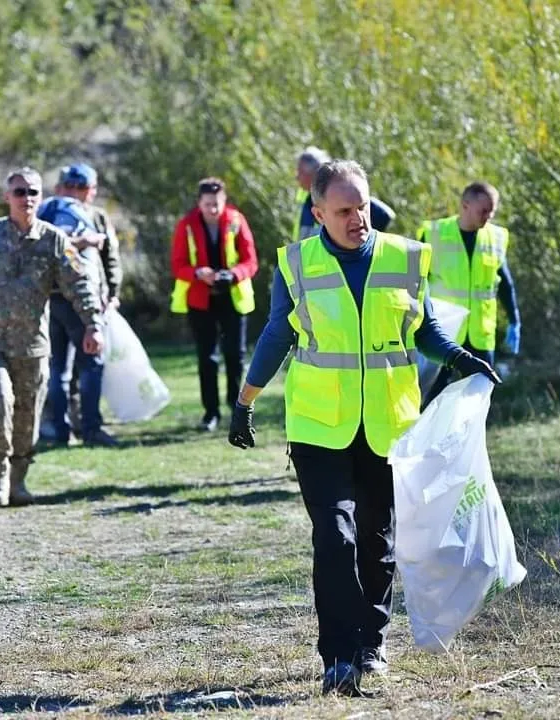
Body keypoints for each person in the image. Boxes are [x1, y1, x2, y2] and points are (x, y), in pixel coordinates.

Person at [228, 160, 499, 696]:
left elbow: (424, 330)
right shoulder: (297, 265)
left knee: (377, 541)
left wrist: (464, 359)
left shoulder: (403, 257)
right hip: (318, 426)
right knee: (335, 536)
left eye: (364, 206)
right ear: (319, 212)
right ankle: (338, 655)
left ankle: (371, 644)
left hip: (387, 425)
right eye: (345, 210)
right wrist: (245, 403)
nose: (359, 219)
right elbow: (276, 337)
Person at [0, 168, 104, 508]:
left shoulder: (54, 240)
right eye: (20, 192)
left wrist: (93, 324)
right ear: (7, 198)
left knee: (27, 416)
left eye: (33, 192)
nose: (27, 198)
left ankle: (19, 479)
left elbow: (78, 284)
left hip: (33, 346)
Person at [39, 163, 122, 447]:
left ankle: (84, 426)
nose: (75, 193)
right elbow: (43, 247)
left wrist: (113, 292)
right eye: (69, 186)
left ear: (93, 191)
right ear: (59, 188)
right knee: (67, 368)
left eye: (81, 187)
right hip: (58, 298)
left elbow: (111, 258)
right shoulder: (47, 213)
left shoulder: (98, 217)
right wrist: (82, 242)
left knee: (85, 366)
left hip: (91, 297)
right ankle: (71, 429)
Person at [417, 181, 520, 406]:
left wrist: (514, 320)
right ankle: (430, 440)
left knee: (479, 399)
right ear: (465, 206)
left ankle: (467, 441)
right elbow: (414, 281)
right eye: (484, 211)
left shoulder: (496, 238)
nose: (489, 216)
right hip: (444, 333)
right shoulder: (433, 234)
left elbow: (505, 283)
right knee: (433, 396)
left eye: (492, 211)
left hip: (480, 333)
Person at [170, 177, 258, 431]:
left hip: (232, 297)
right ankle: (211, 413)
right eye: (208, 204)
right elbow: (178, 265)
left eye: (217, 203)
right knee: (207, 358)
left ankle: (237, 407)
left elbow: (251, 261)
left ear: (224, 201)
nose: (213, 209)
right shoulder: (186, 225)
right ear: (199, 202)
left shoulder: (236, 221)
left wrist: (233, 274)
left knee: (235, 355)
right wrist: (199, 273)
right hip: (201, 300)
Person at [292, 146, 395, 243]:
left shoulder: (340, 194)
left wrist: (367, 240)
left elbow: (384, 214)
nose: (296, 177)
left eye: (300, 172)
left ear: (315, 173)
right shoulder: (305, 194)